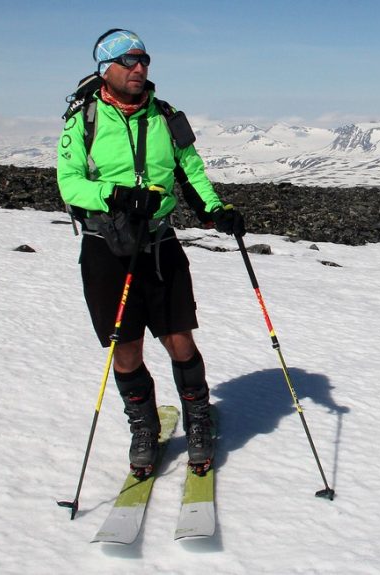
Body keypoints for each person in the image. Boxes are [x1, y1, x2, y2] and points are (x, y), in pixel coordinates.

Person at [56, 29, 245, 478]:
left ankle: (198, 420)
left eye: (144, 60)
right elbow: (69, 183)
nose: (139, 68)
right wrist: (116, 195)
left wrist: (215, 210)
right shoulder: (82, 119)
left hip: (159, 244)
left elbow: (191, 171)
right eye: (129, 61)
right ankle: (143, 428)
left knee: (179, 337)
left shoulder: (167, 116)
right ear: (106, 68)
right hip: (106, 247)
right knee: (125, 348)